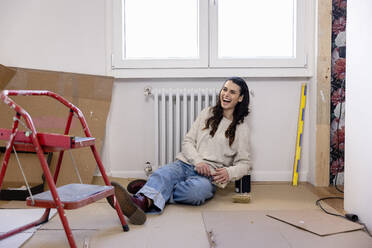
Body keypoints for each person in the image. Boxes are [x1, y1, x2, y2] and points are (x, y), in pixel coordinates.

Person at [108, 77, 252, 225]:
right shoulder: (207, 113)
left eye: (232, 92)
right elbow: (187, 141)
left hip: (207, 177)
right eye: (225, 89)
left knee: (197, 194)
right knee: (165, 172)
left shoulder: (242, 129)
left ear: (240, 98)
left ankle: (151, 190)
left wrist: (229, 172)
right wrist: (198, 161)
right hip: (185, 164)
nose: (226, 94)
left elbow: (245, 164)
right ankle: (141, 203)